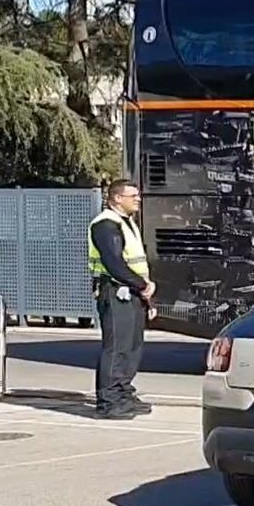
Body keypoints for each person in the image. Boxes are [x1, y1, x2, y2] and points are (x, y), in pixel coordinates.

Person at [88, 179, 153, 419]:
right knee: (117, 348)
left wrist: (145, 290)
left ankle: (124, 394)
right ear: (117, 198)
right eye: (132, 196)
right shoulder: (106, 224)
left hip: (132, 292)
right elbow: (114, 263)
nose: (138, 199)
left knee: (132, 347)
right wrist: (142, 284)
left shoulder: (126, 222)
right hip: (116, 291)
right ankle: (109, 401)